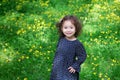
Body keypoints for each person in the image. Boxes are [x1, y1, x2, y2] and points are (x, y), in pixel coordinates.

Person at [50, 15, 87, 80]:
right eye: (65, 28)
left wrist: (75, 66)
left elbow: (83, 56)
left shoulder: (77, 44)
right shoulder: (61, 39)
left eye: (71, 27)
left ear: (76, 28)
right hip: (57, 68)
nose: (68, 30)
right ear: (61, 29)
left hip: (68, 71)